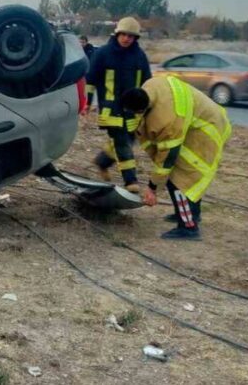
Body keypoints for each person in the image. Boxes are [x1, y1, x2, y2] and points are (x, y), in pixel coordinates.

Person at [119, 75, 232, 240]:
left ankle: (188, 227)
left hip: (207, 129)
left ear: (141, 110)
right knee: (187, 177)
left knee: (179, 179)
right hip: (198, 120)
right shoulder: (151, 85)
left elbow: (167, 160)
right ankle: (189, 213)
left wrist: (152, 188)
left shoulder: (168, 120)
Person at [85, 17, 151, 193]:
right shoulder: (103, 54)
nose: (126, 39)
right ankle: (131, 181)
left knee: (128, 140)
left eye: (131, 36)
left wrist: (146, 107)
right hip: (111, 109)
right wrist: (87, 102)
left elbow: (147, 84)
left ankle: (102, 161)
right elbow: (89, 80)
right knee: (122, 143)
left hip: (132, 112)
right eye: (123, 34)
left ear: (135, 38)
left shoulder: (140, 57)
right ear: (117, 34)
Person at [79, 35, 96, 111]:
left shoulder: (90, 50)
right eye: (80, 42)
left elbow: (92, 61)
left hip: (89, 73)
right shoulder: (77, 49)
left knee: (89, 90)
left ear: (86, 42)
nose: (81, 44)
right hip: (80, 73)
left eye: (83, 42)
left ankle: (88, 104)